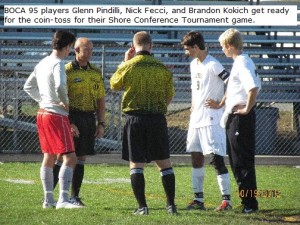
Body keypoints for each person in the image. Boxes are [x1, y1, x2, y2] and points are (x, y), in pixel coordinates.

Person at [110, 31, 177, 215]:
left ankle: (142, 207)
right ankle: (171, 206)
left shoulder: (128, 66)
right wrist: (160, 107)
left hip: (135, 120)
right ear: (151, 46)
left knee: (136, 164)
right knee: (165, 163)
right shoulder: (162, 68)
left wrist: (124, 61)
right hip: (157, 119)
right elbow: (170, 93)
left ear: (133, 46)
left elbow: (114, 85)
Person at [23, 30, 83, 209]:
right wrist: (65, 102)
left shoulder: (42, 63)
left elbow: (28, 86)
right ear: (66, 46)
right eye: (70, 48)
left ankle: (48, 200)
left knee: (49, 156)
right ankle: (63, 200)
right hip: (56, 115)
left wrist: (42, 100)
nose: (69, 51)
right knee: (70, 158)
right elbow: (59, 85)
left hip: (42, 113)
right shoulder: (58, 64)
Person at [180, 31, 232, 212]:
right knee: (195, 156)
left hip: (211, 119)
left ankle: (226, 201)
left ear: (195, 47)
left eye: (188, 49)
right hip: (196, 119)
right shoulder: (194, 64)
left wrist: (221, 103)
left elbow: (232, 82)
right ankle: (198, 200)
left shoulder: (213, 64)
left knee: (216, 159)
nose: (186, 53)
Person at [52, 37, 106, 206]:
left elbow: (101, 100)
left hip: (88, 118)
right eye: (86, 49)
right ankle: (50, 195)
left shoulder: (95, 72)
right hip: (71, 116)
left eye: (91, 49)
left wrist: (101, 123)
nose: (90, 53)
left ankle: (75, 196)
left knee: (81, 157)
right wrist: (68, 121)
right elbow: (59, 99)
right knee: (63, 156)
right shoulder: (67, 70)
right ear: (76, 50)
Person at [213, 28, 261, 213]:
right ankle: (247, 201)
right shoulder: (241, 62)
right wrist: (222, 104)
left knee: (241, 161)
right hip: (235, 117)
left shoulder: (242, 62)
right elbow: (235, 88)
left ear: (229, 46)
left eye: (223, 47)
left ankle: (250, 203)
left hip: (241, 118)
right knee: (236, 160)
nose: (222, 50)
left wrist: (247, 108)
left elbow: (252, 87)